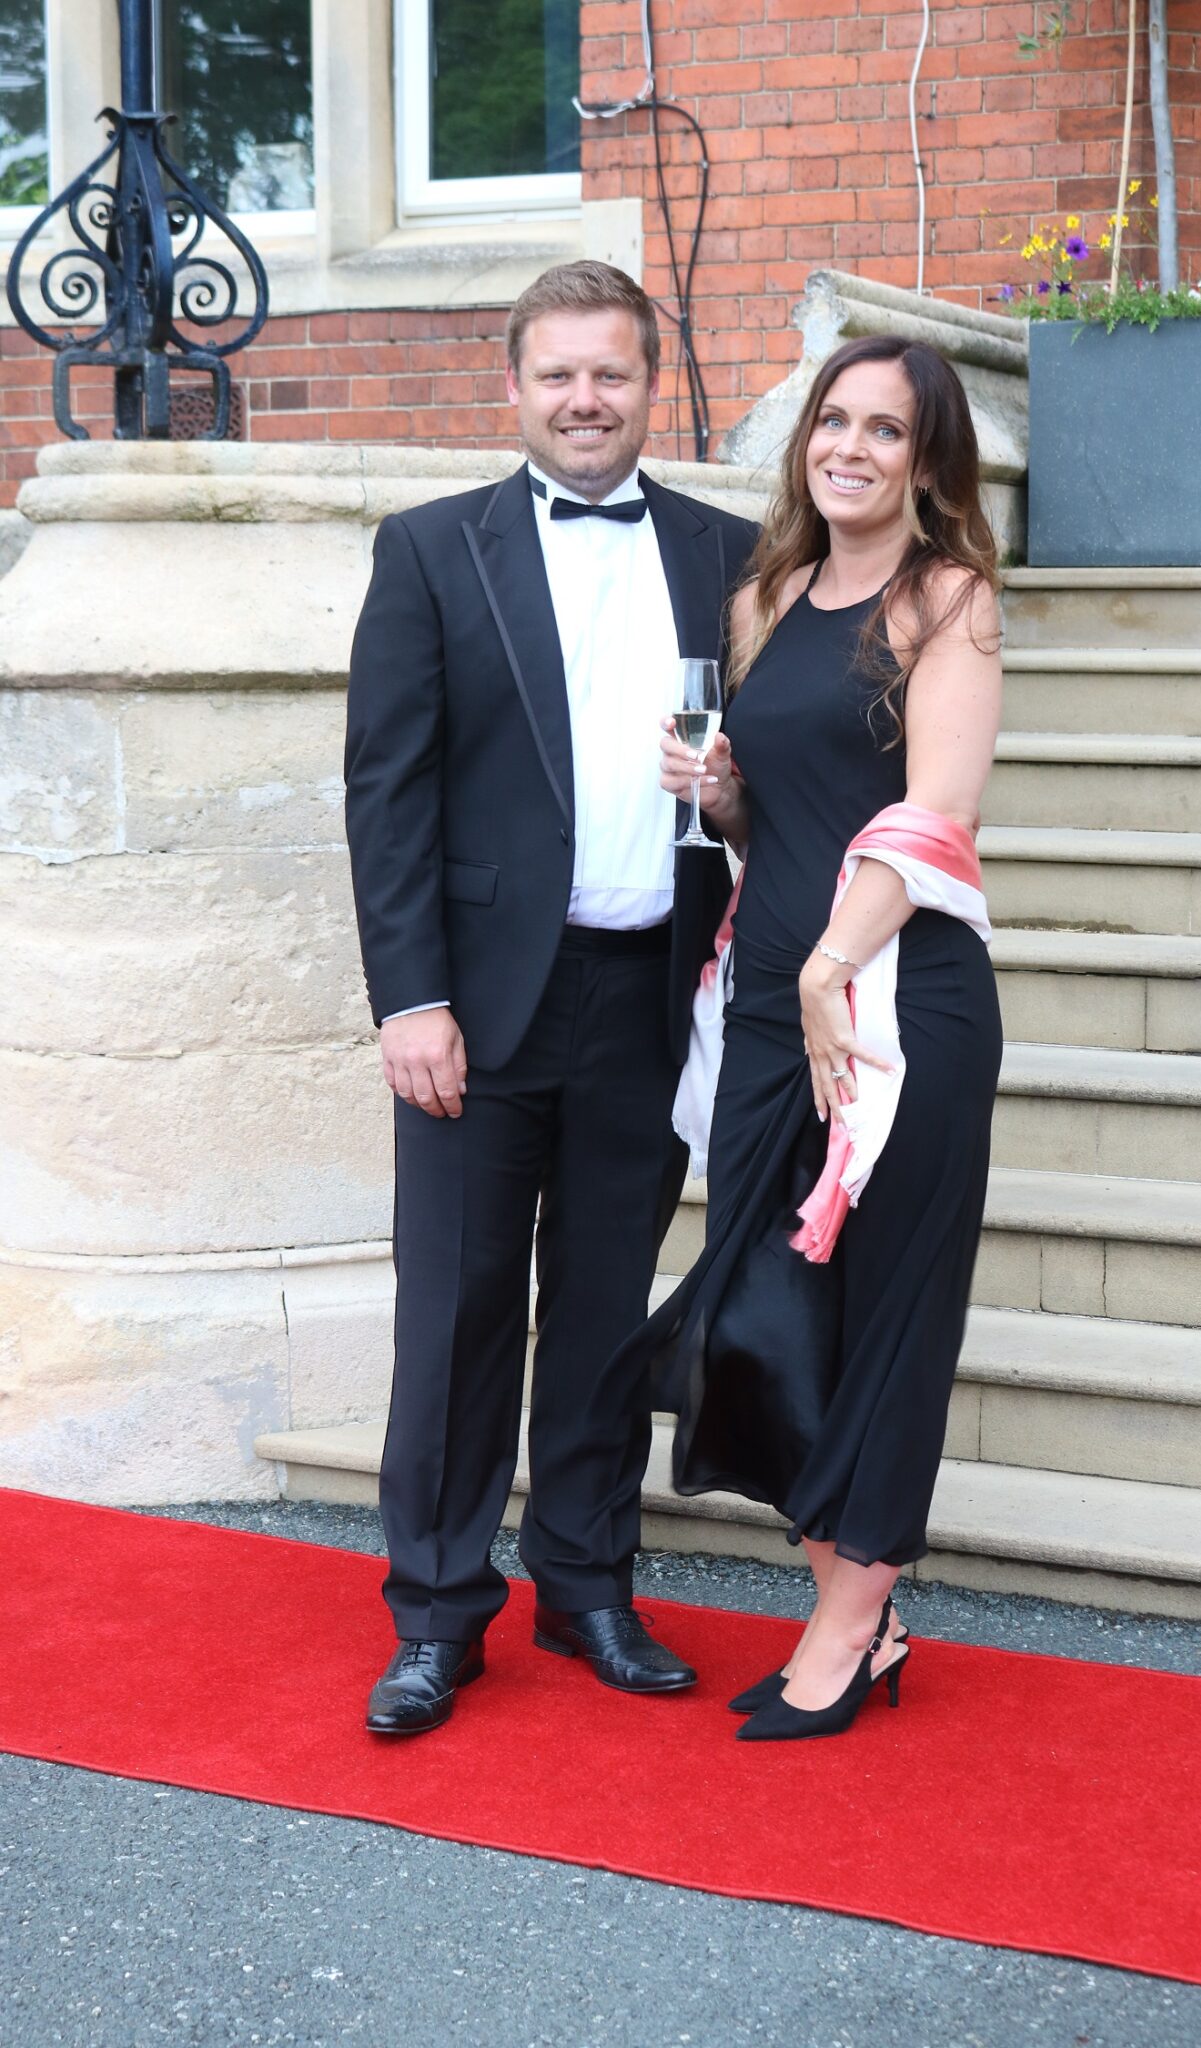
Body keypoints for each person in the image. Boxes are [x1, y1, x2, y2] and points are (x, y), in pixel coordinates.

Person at [344, 260, 757, 1734]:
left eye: (612, 374)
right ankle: (436, 1613)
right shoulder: (430, 550)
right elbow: (387, 793)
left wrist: (735, 795)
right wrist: (410, 1000)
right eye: (561, 374)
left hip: (647, 995)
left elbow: (775, 774)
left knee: (599, 1310)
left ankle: (586, 1587)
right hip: (475, 1007)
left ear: (651, 387)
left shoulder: (729, 554)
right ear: (515, 387)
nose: (587, 400)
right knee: (457, 1313)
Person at [627, 332, 1004, 1741]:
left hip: (897, 1003)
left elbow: (935, 816)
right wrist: (724, 793)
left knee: (884, 1315)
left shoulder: (947, 600)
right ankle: (860, 1608)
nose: (849, 447)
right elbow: (774, 823)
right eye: (832, 421)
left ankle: (847, 1631)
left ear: (927, 460)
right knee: (759, 1310)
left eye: (885, 429)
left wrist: (835, 963)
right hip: (774, 1001)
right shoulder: (767, 595)